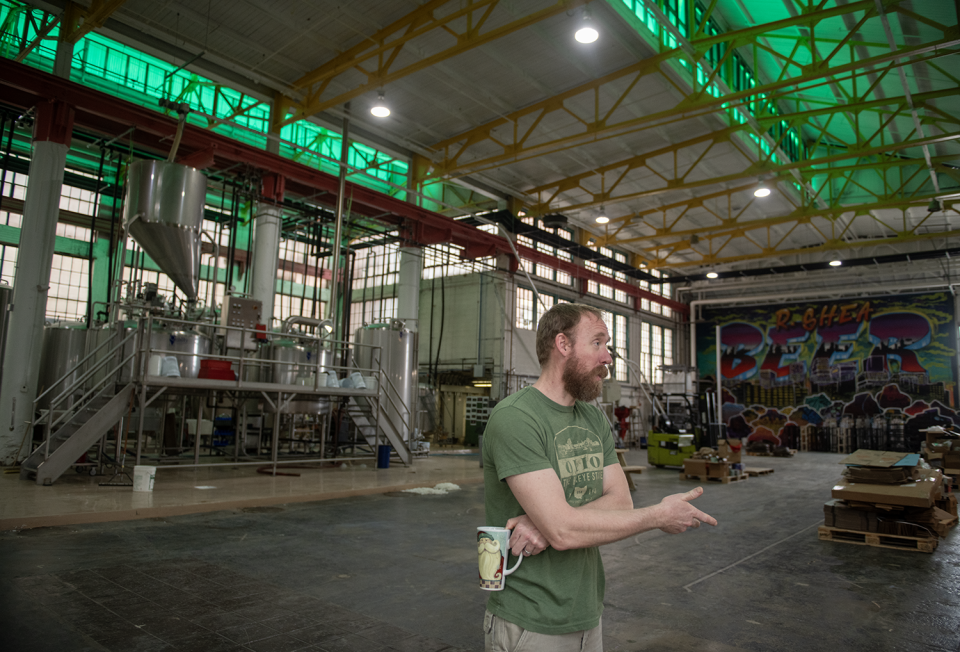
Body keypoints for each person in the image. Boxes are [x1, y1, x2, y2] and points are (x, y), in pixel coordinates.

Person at [481, 303, 717, 652]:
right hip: (530, 620)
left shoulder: (591, 419)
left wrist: (545, 521)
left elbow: (621, 501)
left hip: (588, 613)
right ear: (562, 345)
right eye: (598, 343)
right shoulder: (516, 418)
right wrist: (657, 516)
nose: (608, 357)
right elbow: (563, 532)